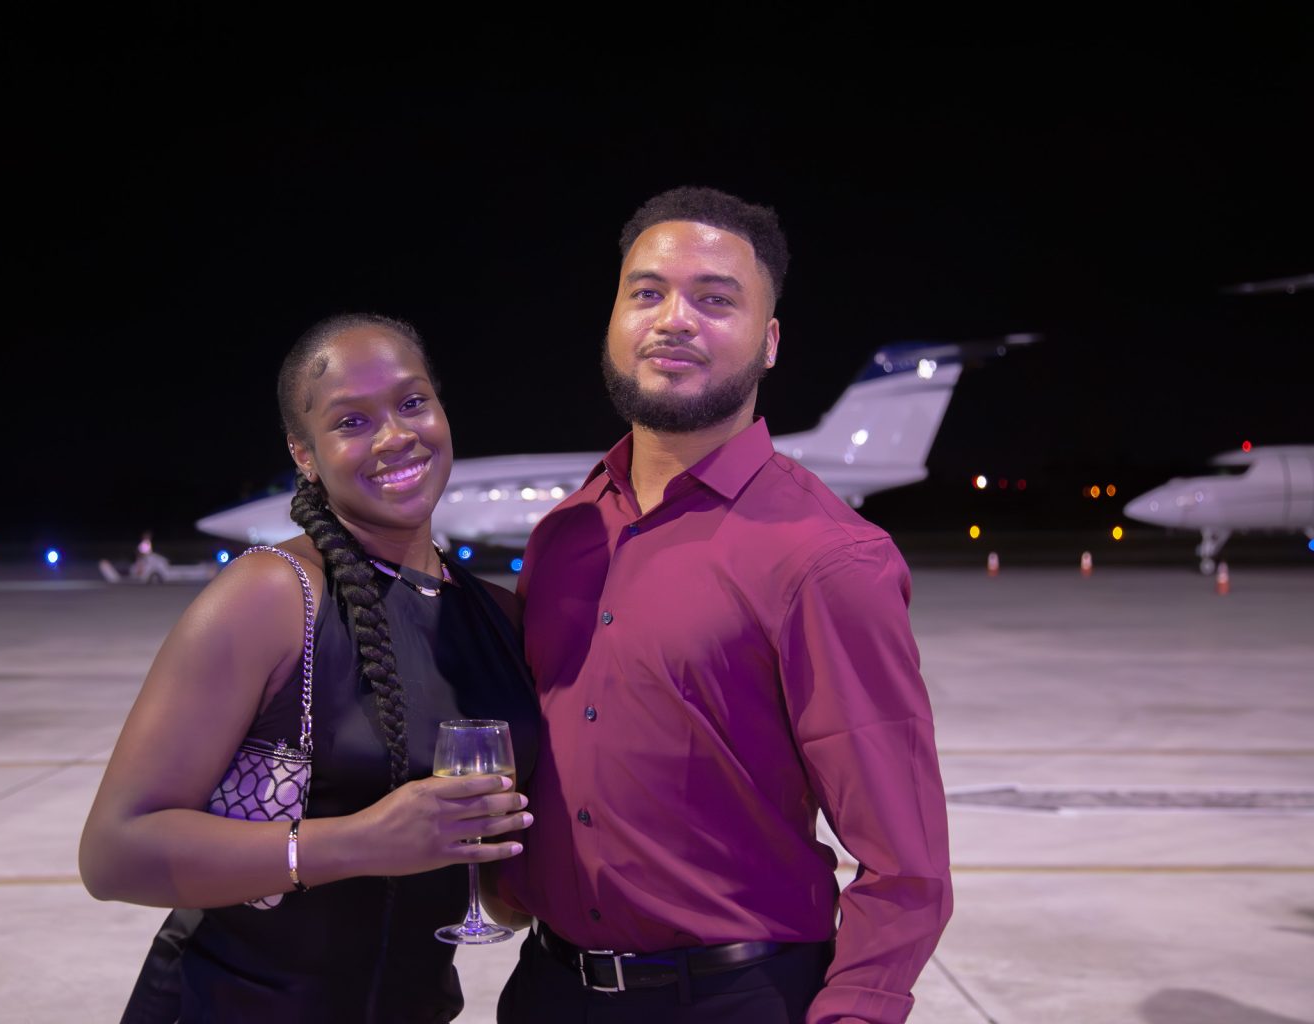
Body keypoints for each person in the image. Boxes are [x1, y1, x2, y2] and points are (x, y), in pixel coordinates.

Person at [496, 187, 952, 1023]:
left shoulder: (825, 556)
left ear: (769, 342)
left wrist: (857, 1009)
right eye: (647, 293)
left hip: (732, 995)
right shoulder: (564, 535)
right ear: (614, 322)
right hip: (549, 987)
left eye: (715, 300)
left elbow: (907, 864)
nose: (674, 320)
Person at [80, 313, 539, 1023]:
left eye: (413, 402)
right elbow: (115, 854)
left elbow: (505, 882)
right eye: (352, 421)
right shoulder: (272, 595)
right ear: (304, 452)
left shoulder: (497, 616)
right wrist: (361, 843)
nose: (395, 436)